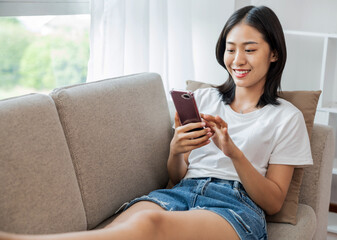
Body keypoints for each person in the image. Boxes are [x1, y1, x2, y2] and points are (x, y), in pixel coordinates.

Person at [0, 5, 312, 240]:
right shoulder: (202, 99)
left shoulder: (286, 118)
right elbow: (176, 176)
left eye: (250, 50)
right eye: (231, 49)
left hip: (234, 206)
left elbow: (272, 202)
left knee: (148, 226)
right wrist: (177, 150)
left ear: (273, 54)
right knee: (123, 227)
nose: (238, 60)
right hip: (182, 191)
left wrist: (234, 154)